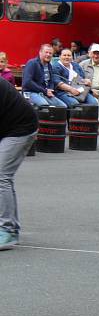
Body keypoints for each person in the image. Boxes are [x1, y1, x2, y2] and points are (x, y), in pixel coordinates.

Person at [0, 76, 38, 250]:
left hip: (20, 128)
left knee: (1, 176)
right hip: (8, 126)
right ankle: (11, 228)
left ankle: (6, 231)